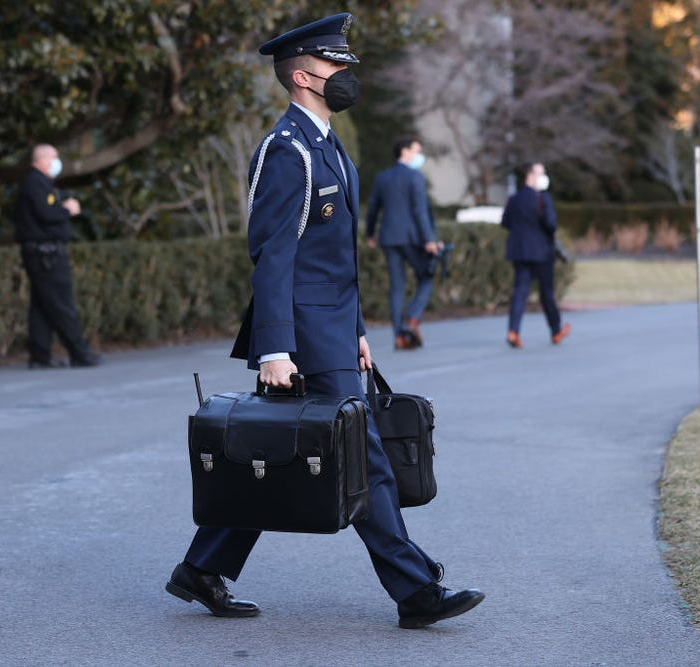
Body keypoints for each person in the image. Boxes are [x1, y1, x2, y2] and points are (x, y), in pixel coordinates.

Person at [165, 13, 484, 629]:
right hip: (304, 339)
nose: (346, 76)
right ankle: (416, 592)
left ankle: (203, 569)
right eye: (337, 67)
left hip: (332, 332)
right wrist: (276, 348)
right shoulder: (287, 151)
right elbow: (273, 258)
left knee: (272, 448)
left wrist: (358, 328)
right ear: (306, 76)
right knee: (364, 462)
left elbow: (335, 259)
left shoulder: (326, 143)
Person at [13, 144, 102, 369]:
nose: (57, 162)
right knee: (62, 303)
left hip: (45, 253)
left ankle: (39, 355)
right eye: (54, 157)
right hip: (46, 255)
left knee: (42, 306)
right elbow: (46, 214)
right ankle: (79, 352)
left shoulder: (40, 183)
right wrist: (68, 209)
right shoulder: (35, 183)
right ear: (41, 160)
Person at [366, 137, 439, 349]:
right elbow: (420, 211)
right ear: (405, 152)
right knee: (427, 276)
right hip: (411, 238)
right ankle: (412, 318)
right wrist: (429, 240)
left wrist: (371, 233)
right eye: (417, 151)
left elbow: (373, 209)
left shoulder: (383, 177)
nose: (419, 155)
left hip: (388, 238)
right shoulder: (414, 176)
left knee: (397, 287)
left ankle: (399, 337)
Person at [500, 162, 571, 349]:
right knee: (546, 293)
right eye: (541, 173)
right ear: (530, 175)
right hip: (541, 252)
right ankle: (555, 330)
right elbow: (551, 224)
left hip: (519, 252)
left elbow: (505, 222)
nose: (543, 177)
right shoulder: (542, 198)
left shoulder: (514, 199)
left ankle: (513, 331)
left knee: (520, 292)